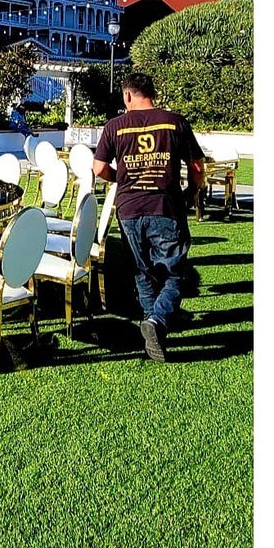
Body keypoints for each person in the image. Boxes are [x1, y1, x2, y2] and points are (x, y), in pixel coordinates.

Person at [92, 71, 204, 362]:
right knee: (175, 271)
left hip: (129, 209)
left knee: (141, 271)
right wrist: (192, 191)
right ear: (153, 93)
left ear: (127, 95)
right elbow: (197, 167)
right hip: (165, 206)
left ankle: (152, 323)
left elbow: (98, 167)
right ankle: (157, 321)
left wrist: (121, 178)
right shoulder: (175, 122)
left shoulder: (115, 126)